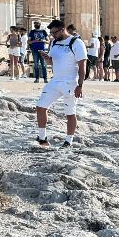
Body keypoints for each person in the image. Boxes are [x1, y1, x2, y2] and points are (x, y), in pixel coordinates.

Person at [35, 19, 86, 147]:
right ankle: (42, 139)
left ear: (63, 29)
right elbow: (52, 62)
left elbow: (82, 66)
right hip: (55, 81)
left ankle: (68, 141)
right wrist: (47, 58)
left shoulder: (76, 42)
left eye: (55, 32)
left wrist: (80, 86)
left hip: (70, 82)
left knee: (70, 113)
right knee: (40, 107)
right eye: (51, 33)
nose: (52, 35)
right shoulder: (54, 43)